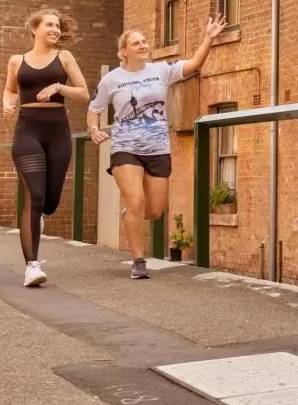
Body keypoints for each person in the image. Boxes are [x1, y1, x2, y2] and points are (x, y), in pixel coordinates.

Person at [88, 16, 226, 279]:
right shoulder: (112, 80)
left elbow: (195, 64)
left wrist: (209, 37)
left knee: (154, 210)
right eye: (136, 43)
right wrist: (94, 129)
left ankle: (130, 213)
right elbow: (94, 109)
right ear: (123, 52)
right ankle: (138, 261)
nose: (143, 45)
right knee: (137, 199)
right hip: (125, 147)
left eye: (144, 42)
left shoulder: (162, 70)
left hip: (158, 148)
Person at [3, 9, 90, 287]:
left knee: (49, 202)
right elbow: (10, 89)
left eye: (58, 26)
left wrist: (58, 88)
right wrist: (7, 102)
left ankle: (39, 218)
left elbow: (84, 93)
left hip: (57, 132)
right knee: (35, 197)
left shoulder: (64, 58)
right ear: (35, 28)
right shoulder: (17, 61)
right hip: (27, 131)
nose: (55, 29)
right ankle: (32, 265)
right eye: (49, 25)